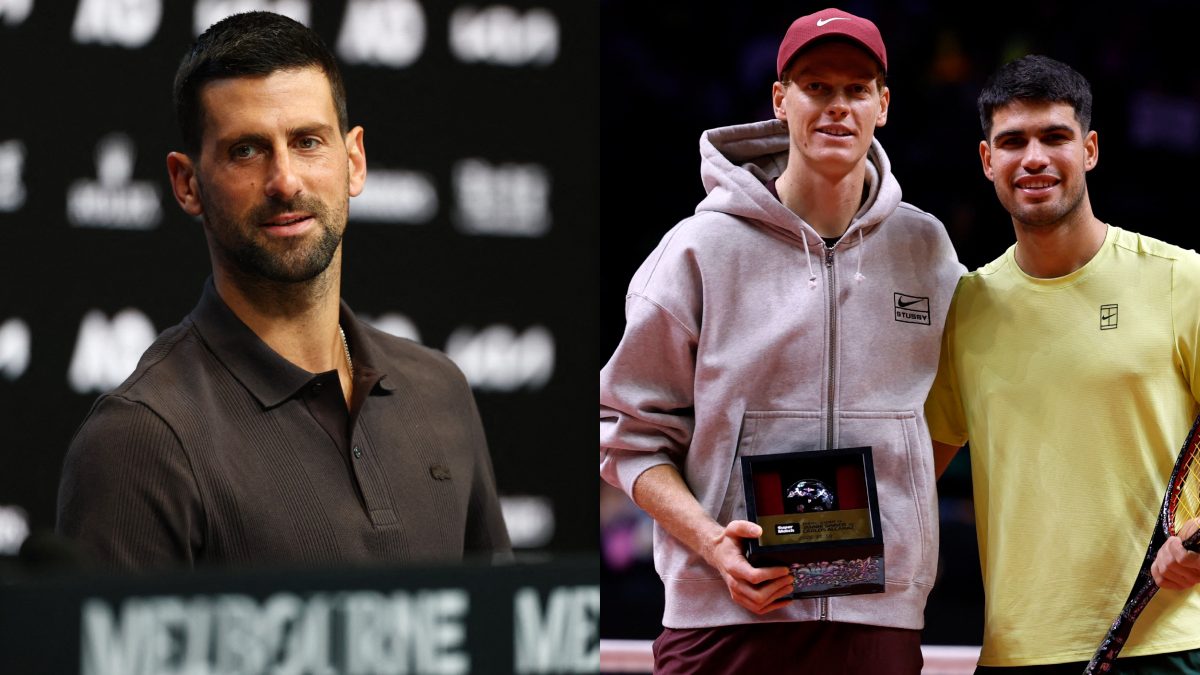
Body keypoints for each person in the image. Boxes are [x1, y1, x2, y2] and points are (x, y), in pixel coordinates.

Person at [55, 11, 511, 569]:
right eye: (246, 150)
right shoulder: (139, 439)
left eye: (307, 141)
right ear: (186, 182)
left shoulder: (440, 391)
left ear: (354, 160)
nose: (285, 180)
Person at [599, 8, 963, 673]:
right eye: (816, 86)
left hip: (875, 617)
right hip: (726, 613)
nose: (836, 106)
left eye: (856, 90)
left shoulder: (926, 250)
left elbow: (960, 404)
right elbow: (626, 433)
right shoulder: (700, 249)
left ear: (883, 105)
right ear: (779, 100)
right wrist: (712, 543)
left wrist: (895, 498)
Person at [927, 54, 1200, 672]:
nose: (1034, 158)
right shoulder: (968, 307)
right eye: (1013, 141)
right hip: (1016, 651)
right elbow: (918, 465)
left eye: (1055, 137)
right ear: (986, 160)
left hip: (1165, 642)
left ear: (1091, 149)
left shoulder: (1180, 279)